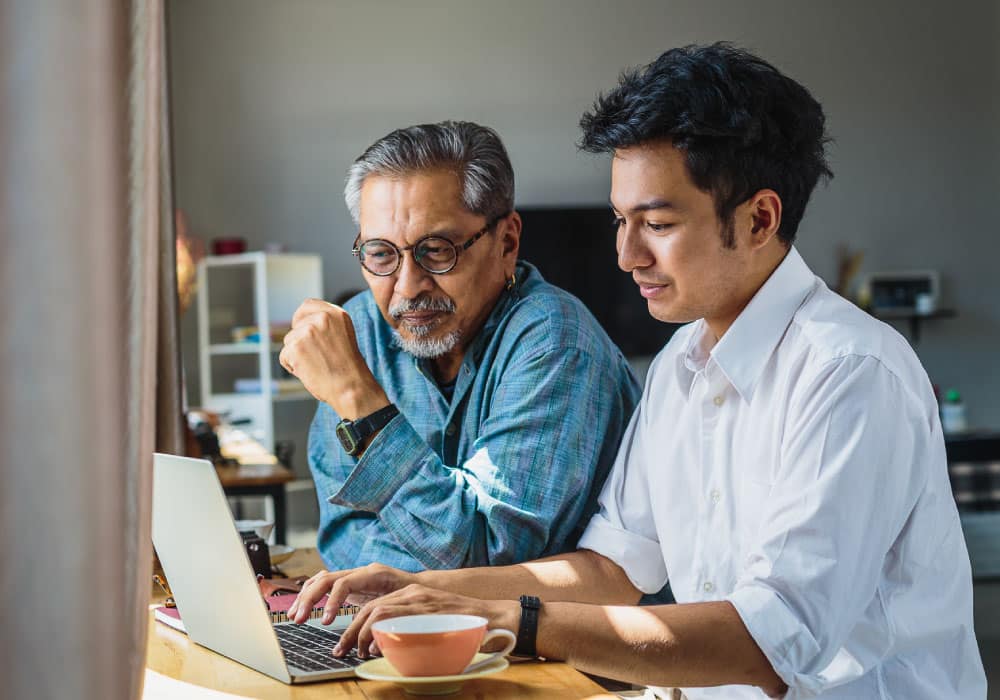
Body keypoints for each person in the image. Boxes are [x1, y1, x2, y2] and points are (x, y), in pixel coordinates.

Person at [288, 45, 987, 698]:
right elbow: (611, 570)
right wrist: (426, 590)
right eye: (621, 222)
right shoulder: (681, 366)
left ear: (759, 219)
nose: (627, 256)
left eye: (656, 223)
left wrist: (514, 619)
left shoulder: (849, 375)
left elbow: (773, 641)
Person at [279, 121, 641, 573]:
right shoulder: (361, 332)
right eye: (380, 253)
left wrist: (362, 403)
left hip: (551, 641)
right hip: (405, 630)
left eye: (437, 249)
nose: (408, 287)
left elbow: (488, 552)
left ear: (506, 242)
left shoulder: (555, 341)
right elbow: (344, 532)